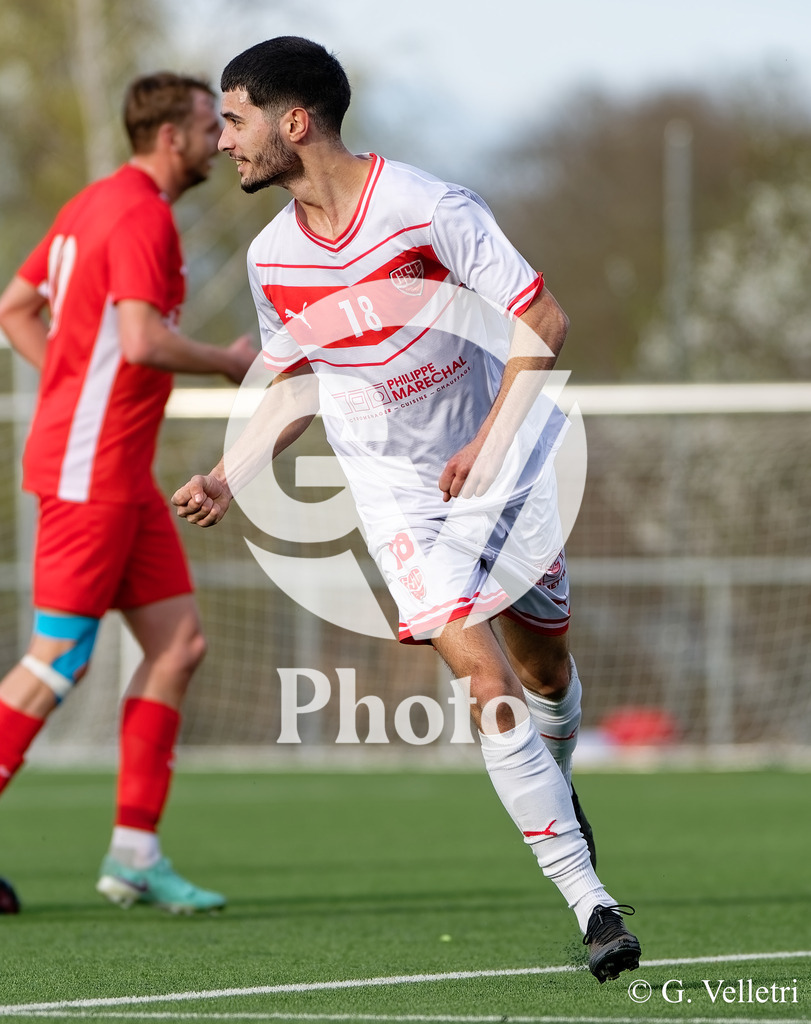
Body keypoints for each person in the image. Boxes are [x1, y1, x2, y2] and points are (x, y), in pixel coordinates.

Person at [172, 37, 642, 979]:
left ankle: (560, 781)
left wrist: (490, 443)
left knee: (545, 672)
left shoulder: (428, 208)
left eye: (233, 119)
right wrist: (232, 472)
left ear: (292, 122)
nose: (222, 141)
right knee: (485, 683)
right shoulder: (272, 260)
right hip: (395, 498)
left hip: (500, 464)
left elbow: (540, 319)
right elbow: (295, 384)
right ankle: (591, 903)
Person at [0, 72, 255, 914]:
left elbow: (15, 307)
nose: (220, 139)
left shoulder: (91, 203)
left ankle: (135, 856)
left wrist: (71, 382)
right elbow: (142, 342)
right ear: (168, 137)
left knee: (178, 644)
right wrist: (225, 361)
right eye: (206, 124)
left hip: (116, 469)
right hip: (89, 472)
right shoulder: (139, 213)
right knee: (56, 660)